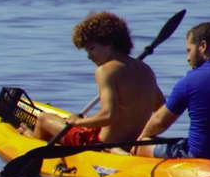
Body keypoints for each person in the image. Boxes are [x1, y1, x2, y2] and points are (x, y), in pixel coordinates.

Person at [25, 11, 167, 148]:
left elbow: (109, 115)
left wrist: (78, 122)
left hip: (100, 144)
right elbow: (161, 109)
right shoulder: (146, 69)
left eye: (91, 48)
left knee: (44, 119)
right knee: (86, 123)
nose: (89, 56)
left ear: (110, 43)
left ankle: (31, 143)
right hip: (134, 142)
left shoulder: (105, 71)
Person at [133, 22, 210, 163]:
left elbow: (159, 123)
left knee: (144, 144)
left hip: (201, 156)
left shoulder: (190, 80)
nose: (188, 58)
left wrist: (141, 139)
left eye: (189, 50)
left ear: (203, 46)